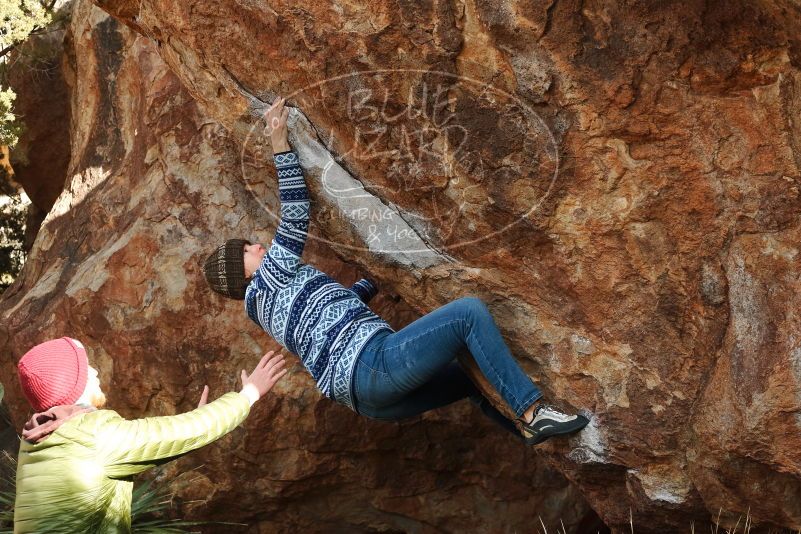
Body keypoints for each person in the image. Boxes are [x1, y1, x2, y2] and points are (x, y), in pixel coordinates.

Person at [203, 96, 589, 446]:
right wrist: (278, 141)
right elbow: (295, 213)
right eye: (247, 250)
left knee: (474, 378)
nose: (257, 246)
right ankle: (534, 414)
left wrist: (374, 283)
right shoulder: (270, 275)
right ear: (243, 271)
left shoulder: (265, 309)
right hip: (372, 365)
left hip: (367, 398)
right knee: (468, 315)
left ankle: (528, 435)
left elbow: (333, 317)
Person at [13, 336, 286, 533]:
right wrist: (250, 393)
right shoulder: (93, 436)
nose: (95, 371)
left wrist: (195, 421)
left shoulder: (39, 440)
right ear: (71, 387)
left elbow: (154, 445)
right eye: (86, 369)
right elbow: (183, 432)